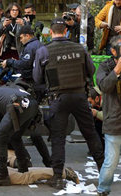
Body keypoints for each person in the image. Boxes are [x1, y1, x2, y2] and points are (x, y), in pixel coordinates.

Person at [33, 18, 104, 189]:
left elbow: (37, 78)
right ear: (65, 31)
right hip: (80, 96)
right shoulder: (79, 48)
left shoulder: (44, 51)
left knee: (58, 138)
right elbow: (91, 70)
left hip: (58, 98)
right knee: (90, 134)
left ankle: (57, 177)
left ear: (51, 32)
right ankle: (104, 171)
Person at [96, 35, 121, 196]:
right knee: (111, 161)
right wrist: (117, 70)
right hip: (114, 120)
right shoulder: (105, 67)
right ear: (113, 51)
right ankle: (103, 189)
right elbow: (104, 86)